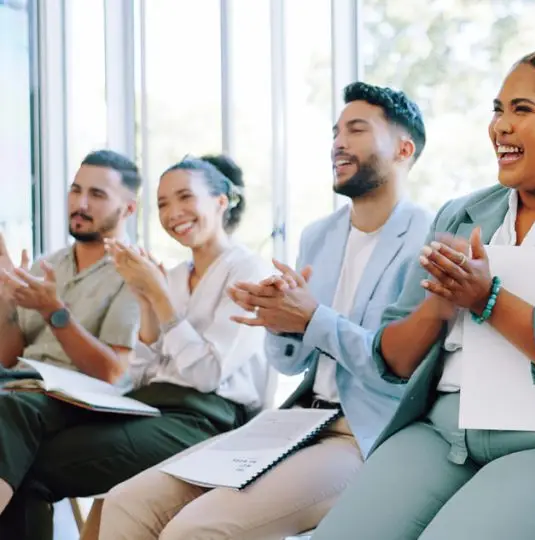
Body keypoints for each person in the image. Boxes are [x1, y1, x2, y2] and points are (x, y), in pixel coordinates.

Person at [311, 48, 535, 540]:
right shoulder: (459, 216)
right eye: (498, 109)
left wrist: (488, 299)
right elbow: (395, 363)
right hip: (446, 431)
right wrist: (440, 305)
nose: (500, 126)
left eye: (522, 110)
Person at [97, 82, 433, 540]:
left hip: (365, 432)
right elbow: (290, 362)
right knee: (127, 503)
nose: (337, 142)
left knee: (194, 530)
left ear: (403, 148)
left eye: (356, 129)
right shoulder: (320, 234)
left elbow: (394, 369)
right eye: (335, 131)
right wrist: (278, 318)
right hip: (300, 419)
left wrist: (311, 318)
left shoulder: (427, 237)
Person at [0, 154, 275, 540]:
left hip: (210, 419)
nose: (173, 212)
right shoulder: (176, 276)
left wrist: (158, 297)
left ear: (220, 201)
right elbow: (142, 372)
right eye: (163, 203)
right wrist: (148, 302)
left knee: (28, 463)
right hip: (151, 406)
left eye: (184, 197)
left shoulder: (250, 270)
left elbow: (207, 374)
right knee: (18, 457)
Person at [0, 149, 143, 535]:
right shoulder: (50, 263)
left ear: (128, 209)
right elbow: (8, 355)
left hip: (81, 398)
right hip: (23, 385)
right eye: (75, 190)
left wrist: (54, 312)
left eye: (97, 195)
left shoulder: (135, 273)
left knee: (8, 409)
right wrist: (4, 301)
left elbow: (112, 372)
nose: (79, 203)